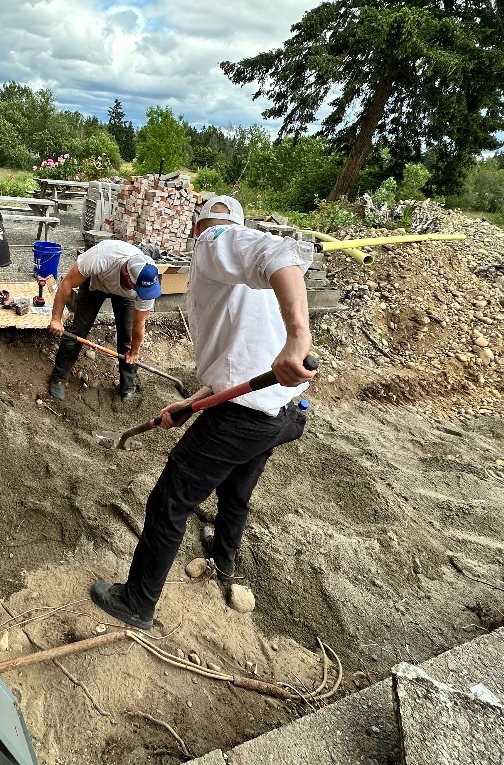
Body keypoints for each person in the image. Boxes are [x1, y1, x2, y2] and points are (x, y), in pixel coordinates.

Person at [89, 195, 317, 629]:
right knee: (236, 489)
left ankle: (137, 602)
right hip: (280, 409)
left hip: (244, 413)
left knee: (170, 501)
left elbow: (279, 251)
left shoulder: (212, 240)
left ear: (197, 228)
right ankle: (224, 556)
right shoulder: (251, 281)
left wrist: (298, 339)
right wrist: (193, 401)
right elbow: (242, 351)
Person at [47, 240, 162, 402]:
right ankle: (58, 378)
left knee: (128, 339)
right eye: (137, 288)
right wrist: (56, 319)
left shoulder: (146, 284)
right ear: (127, 275)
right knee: (79, 330)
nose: (140, 292)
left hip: (125, 296)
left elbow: (139, 324)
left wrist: (134, 352)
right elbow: (66, 284)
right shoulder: (101, 257)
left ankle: (127, 387)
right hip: (96, 284)